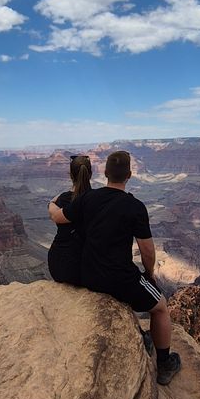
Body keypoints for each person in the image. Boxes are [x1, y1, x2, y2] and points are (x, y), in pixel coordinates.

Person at [48, 149, 181, 385]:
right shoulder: (135, 207)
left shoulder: (88, 198)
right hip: (118, 278)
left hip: (88, 275)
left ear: (106, 172)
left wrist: (52, 205)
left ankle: (142, 336)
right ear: (129, 175)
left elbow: (59, 217)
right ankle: (164, 364)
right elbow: (147, 251)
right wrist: (148, 274)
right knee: (160, 306)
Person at [47, 153, 93, 286]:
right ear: (90, 174)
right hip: (83, 268)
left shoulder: (63, 199)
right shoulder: (96, 199)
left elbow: (54, 212)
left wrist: (50, 203)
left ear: (71, 175)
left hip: (57, 265)